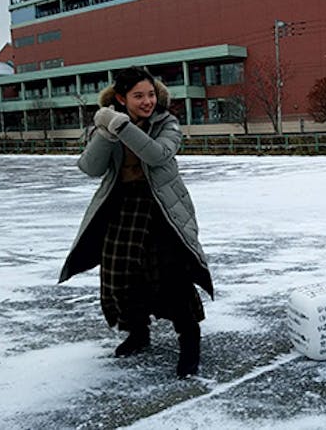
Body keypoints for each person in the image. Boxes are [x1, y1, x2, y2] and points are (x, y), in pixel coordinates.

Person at [59, 67, 213, 379]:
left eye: (151, 94)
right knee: (120, 274)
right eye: (138, 96)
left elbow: (157, 155)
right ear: (121, 98)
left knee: (172, 276)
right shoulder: (107, 124)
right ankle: (137, 332)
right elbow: (90, 167)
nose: (147, 101)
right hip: (123, 206)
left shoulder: (166, 122)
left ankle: (189, 341)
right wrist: (105, 132)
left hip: (163, 208)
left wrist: (120, 125)